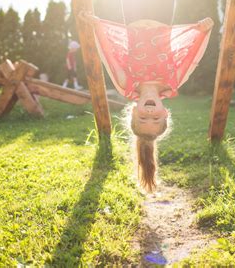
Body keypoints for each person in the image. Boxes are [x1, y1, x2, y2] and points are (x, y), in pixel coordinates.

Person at [79, 13, 213, 192]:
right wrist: (204, 32)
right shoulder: (173, 82)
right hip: (162, 13)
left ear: (134, 111)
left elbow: (109, 55)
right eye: (156, 119)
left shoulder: (126, 84)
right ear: (165, 113)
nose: (149, 115)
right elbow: (191, 56)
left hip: (133, 7)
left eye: (142, 119)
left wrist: (97, 26)